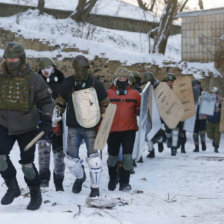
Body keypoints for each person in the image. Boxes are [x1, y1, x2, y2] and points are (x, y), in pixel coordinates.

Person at [0, 42, 53, 210]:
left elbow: (45, 101)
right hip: (4, 123)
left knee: (27, 165)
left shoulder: (33, 78)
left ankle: (35, 194)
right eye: (8, 57)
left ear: (21, 58)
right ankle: (13, 187)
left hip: (27, 126)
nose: (11, 60)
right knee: (0, 157)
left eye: (14, 57)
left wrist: (46, 121)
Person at [53, 55, 109, 197]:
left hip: (92, 126)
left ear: (88, 68)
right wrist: (57, 113)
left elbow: (105, 104)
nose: (80, 71)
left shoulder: (96, 85)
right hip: (73, 127)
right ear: (74, 69)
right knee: (71, 160)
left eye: (83, 68)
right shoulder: (68, 84)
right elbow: (60, 102)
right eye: (78, 68)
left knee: (94, 159)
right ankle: (80, 177)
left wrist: (103, 118)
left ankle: (95, 187)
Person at [107, 67, 141, 192]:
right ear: (115, 79)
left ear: (128, 79)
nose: (122, 80)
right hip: (112, 130)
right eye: (120, 78)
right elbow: (101, 111)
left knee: (127, 158)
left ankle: (124, 182)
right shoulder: (108, 93)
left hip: (129, 130)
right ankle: (112, 178)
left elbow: (141, 111)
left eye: (125, 78)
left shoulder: (135, 94)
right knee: (112, 158)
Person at [37, 57, 65, 191]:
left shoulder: (63, 83)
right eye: (43, 69)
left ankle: (59, 181)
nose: (45, 71)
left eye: (47, 68)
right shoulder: (37, 83)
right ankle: (43, 179)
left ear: (53, 68)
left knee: (59, 154)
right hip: (43, 121)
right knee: (43, 151)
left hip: (59, 122)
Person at [143, 71, 165, 158]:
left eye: (150, 80)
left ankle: (160, 141)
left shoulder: (159, 87)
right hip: (147, 111)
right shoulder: (144, 87)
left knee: (158, 128)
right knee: (147, 132)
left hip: (158, 111)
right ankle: (151, 151)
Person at [163, 73, 186, 156]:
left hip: (177, 115)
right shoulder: (162, 91)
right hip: (167, 115)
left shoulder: (179, 91)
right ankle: (169, 140)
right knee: (168, 132)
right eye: (168, 82)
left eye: (171, 82)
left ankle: (174, 148)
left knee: (176, 132)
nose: (170, 83)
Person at [192, 80, 207, 152]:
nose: (196, 87)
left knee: (202, 131)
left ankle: (203, 143)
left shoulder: (204, 94)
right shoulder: (190, 95)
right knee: (195, 133)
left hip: (202, 116)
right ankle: (196, 147)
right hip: (193, 117)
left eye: (197, 86)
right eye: (195, 86)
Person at [206, 87, 223, 153]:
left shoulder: (221, 100)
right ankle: (213, 140)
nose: (213, 94)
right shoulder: (207, 100)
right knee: (209, 135)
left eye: (215, 93)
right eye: (212, 93)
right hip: (210, 120)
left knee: (217, 136)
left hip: (218, 121)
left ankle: (216, 147)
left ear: (217, 94)